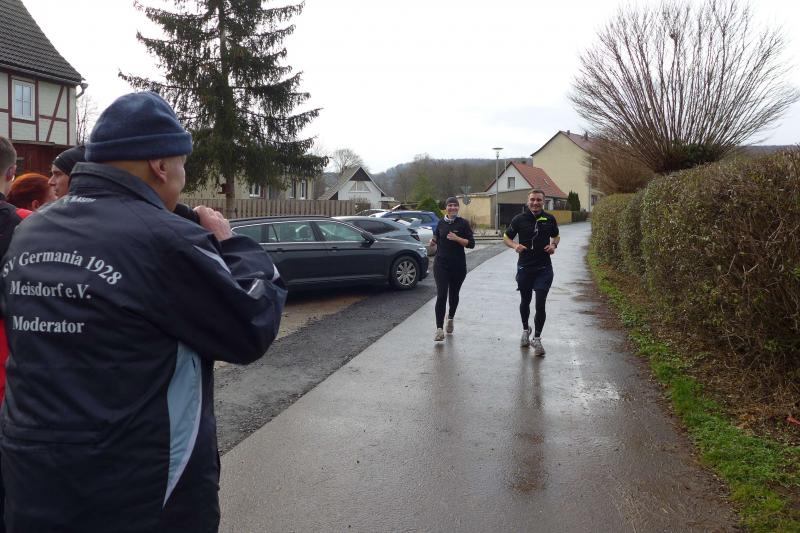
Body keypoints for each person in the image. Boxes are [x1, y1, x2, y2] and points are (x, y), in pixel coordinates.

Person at [0, 92, 287, 532]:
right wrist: (230, 244)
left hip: (33, 483)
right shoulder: (165, 239)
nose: (182, 178)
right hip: (140, 494)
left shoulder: (31, 230)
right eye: (182, 164)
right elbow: (250, 326)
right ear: (160, 164)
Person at [503, 189, 560, 355]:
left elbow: (556, 236)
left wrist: (553, 245)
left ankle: (537, 338)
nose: (535, 203)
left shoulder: (549, 219)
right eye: (533, 200)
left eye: (539, 200)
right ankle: (525, 330)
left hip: (544, 268)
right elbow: (506, 237)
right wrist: (515, 246)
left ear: (544, 202)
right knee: (525, 301)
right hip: (525, 268)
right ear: (528, 201)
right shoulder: (519, 219)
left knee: (540, 303)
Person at [430, 196, 474, 341]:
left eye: (455, 205)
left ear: (458, 207)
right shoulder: (441, 222)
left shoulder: (463, 223)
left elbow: (471, 244)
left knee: (454, 295)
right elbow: (437, 236)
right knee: (442, 295)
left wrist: (457, 238)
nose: (453, 208)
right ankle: (439, 329)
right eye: (450, 205)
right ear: (446, 207)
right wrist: (433, 241)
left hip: (458, 265)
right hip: (441, 264)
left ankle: (450, 318)